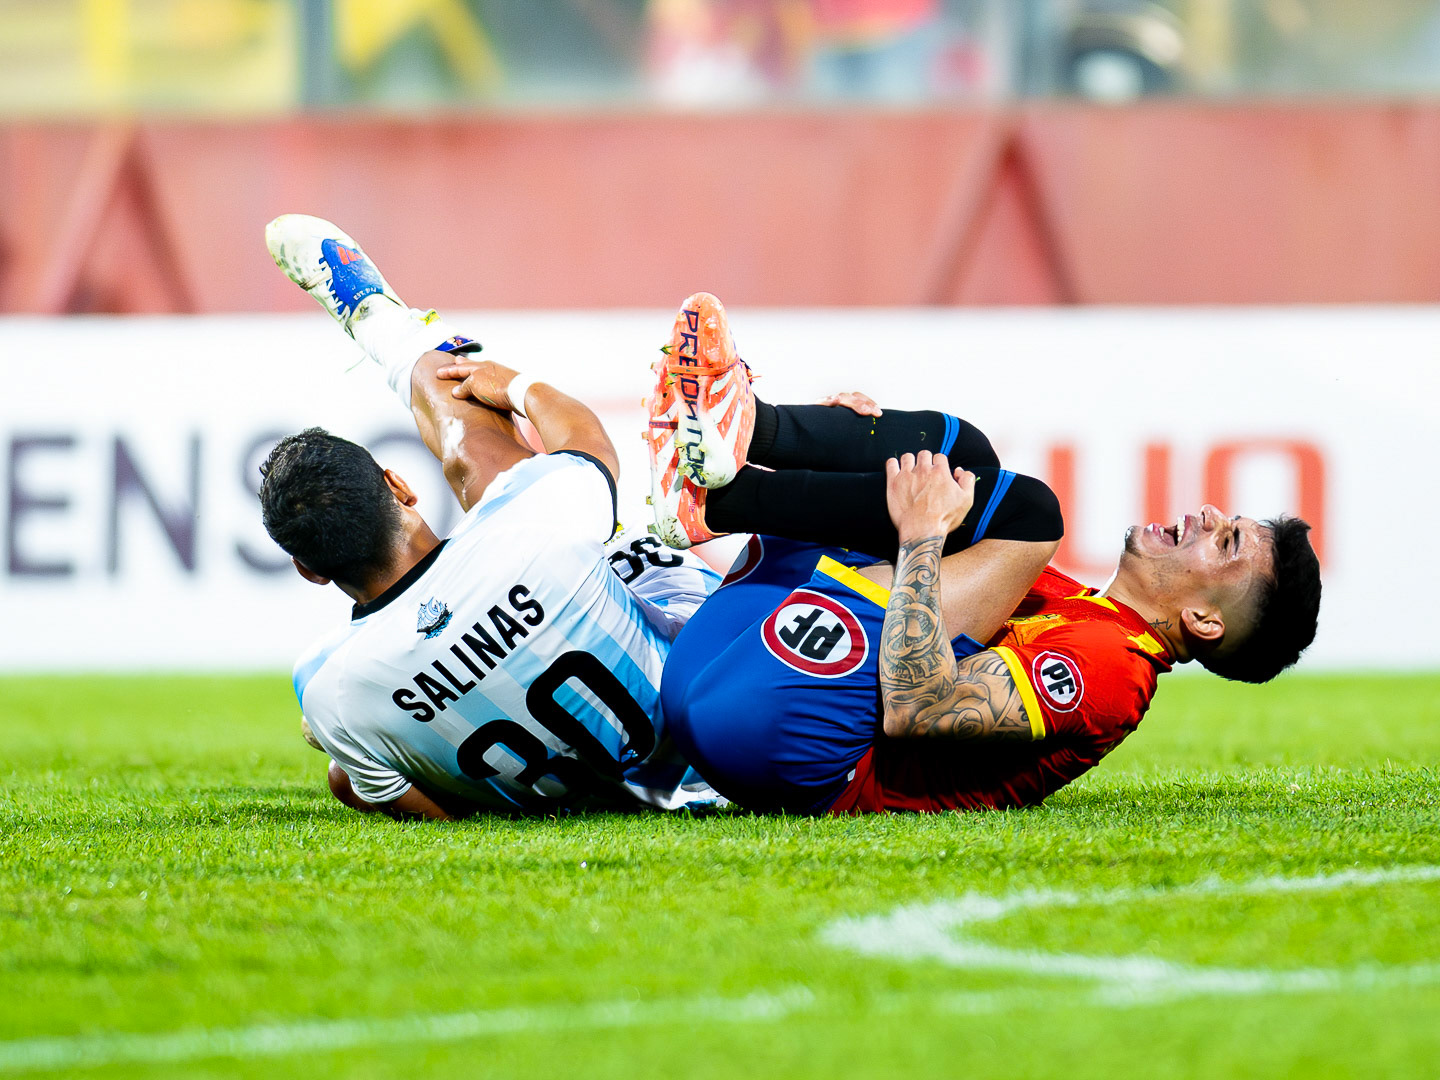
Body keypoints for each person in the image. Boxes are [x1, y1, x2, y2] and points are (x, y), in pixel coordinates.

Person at [263, 219, 1062, 822]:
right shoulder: (527, 528)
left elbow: (407, 802)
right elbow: (583, 440)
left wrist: (352, 753)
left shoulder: (332, 691)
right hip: (713, 660)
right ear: (400, 486)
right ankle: (387, 327)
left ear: (308, 569)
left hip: (684, 764)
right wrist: (516, 383)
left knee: (920, 470)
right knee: (999, 493)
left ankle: (761, 457)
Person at [648, 293, 1323, 814]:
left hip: (789, 744)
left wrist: (917, 538)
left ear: (1206, 623)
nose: (1207, 516)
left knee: (1024, 510)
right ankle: (719, 478)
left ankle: (733, 470)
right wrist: (851, 461)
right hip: (709, 684)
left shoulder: (1112, 673)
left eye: (1226, 541)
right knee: (964, 470)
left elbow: (921, 707)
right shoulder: (1077, 606)